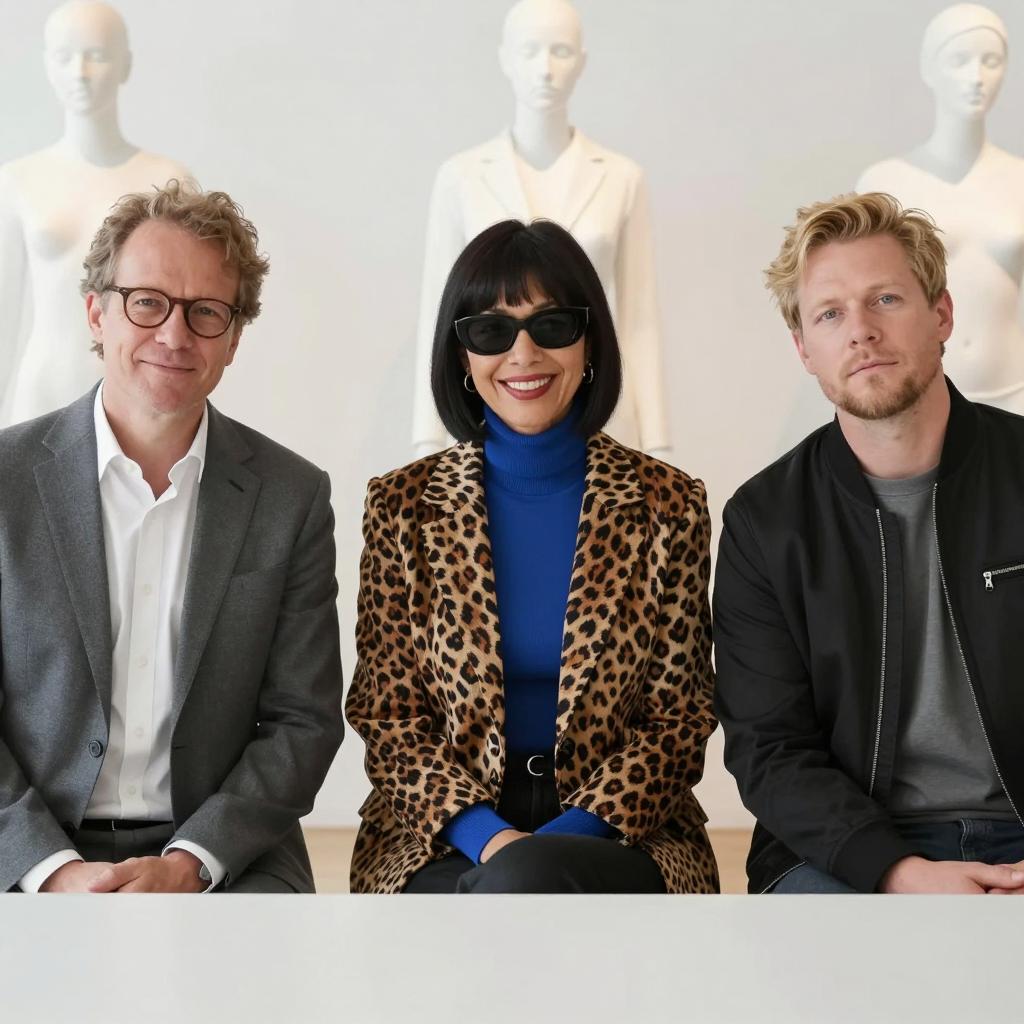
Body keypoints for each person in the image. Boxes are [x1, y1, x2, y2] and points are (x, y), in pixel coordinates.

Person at [347, 219, 717, 893]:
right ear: (462, 355)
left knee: (519, 897)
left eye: (551, 325)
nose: (523, 353)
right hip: (444, 837)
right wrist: (495, 843)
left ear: (589, 341)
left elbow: (679, 719)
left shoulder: (668, 505)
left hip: (622, 832)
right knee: (509, 898)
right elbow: (388, 716)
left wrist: (551, 848)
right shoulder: (402, 506)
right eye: (491, 331)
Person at [0, 180, 344, 894]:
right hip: (31, 841)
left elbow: (303, 722)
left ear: (234, 339)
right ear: (96, 313)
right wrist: (55, 872)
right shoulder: (6, 481)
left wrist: (190, 864)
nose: (175, 335)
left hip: (224, 849)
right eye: (146, 302)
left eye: (206, 312)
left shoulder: (293, 497)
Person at [714, 191, 1024, 894]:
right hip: (846, 848)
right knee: (844, 963)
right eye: (830, 313)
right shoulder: (766, 522)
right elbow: (769, 748)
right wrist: (897, 872)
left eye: (885, 299)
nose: (861, 331)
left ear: (941, 314)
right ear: (804, 349)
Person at [411, 0, 670, 459]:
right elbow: (441, 313)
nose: (546, 70)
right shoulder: (461, 177)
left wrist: (657, 442)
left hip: (605, 418)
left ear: (582, 62)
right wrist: (427, 441)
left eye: (561, 51)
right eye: (530, 51)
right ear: (504, 59)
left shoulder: (621, 177)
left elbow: (639, 321)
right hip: (489, 418)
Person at [0, 0, 190, 426]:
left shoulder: (167, 180)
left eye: (97, 54)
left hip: (137, 394)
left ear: (125, 64)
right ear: (47, 65)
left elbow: (189, 307)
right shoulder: (18, 181)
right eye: (64, 56)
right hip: (44, 390)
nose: (80, 72)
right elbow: (2, 315)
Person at [857, 4, 1024, 414]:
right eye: (959, 60)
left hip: (1015, 391)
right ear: (929, 68)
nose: (976, 77)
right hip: (924, 399)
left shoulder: (1019, 178)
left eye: (991, 61)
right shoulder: (884, 183)